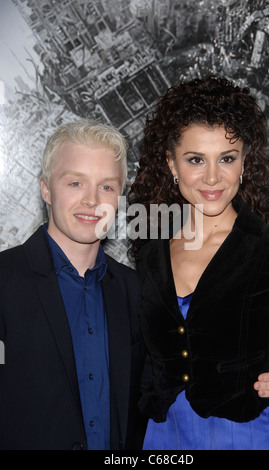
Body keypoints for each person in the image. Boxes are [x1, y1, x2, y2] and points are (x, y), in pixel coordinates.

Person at [128, 76, 269, 450]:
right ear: (172, 163)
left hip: (248, 436)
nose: (211, 177)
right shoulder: (149, 252)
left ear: (244, 162)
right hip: (162, 438)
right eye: (195, 160)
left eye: (226, 158)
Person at [0, 119, 146, 450]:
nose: (92, 201)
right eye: (76, 183)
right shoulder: (4, 282)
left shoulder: (135, 291)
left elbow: (158, 391)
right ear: (46, 189)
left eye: (107, 186)